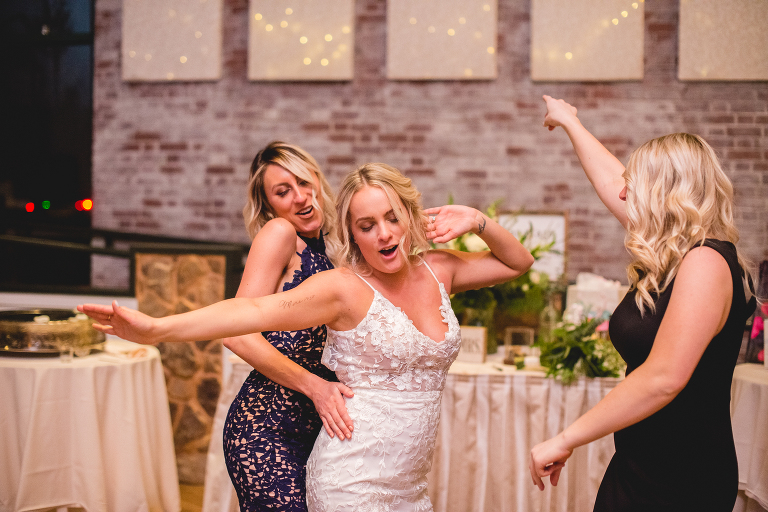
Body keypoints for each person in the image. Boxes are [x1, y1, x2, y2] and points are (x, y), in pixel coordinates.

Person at [79, 163, 534, 511]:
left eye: (392, 218)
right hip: (351, 483)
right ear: (352, 234)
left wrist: (477, 220)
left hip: (411, 489)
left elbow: (519, 262)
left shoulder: (440, 269)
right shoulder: (343, 288)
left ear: (411, 217)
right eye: (367, 225)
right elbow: (250, 311)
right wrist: (158, 328)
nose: (384, 234)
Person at [529, 95, 756, 512]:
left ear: (665, 194)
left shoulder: (706, 263)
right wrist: (570, 122)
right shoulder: (677, 256)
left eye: (633, 185)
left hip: (682, 478)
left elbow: (664, 377)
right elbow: (609, 182)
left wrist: (566, 438)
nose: (622, 191)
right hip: (641, 463)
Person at [220, 141, 354, 511]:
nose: (299, 196)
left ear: (317, 180)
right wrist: (316, 387)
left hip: (317, 433)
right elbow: (236, 333)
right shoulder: (280, 233)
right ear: (269, 206)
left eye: (303, 182)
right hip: (265, 429)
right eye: (283, 191)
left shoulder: (333, 249)